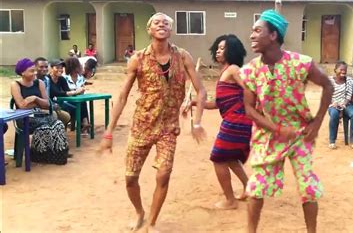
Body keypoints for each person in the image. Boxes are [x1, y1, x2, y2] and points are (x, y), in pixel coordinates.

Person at [98, 12, 207, 232]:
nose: (161, 25)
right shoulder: (138, 59)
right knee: (130, 178)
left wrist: (196, 122)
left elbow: (201, 91)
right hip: (142, 125)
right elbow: (122, 96)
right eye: (156, 22)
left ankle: (152, 222)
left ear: (171, 30)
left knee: (164, 174)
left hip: (168, 128)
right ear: (149, 30)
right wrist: (109, 132)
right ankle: (139, 212)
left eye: (166, 23)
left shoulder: (183, 56)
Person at [241, 10, 333, 233]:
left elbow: (328, 85)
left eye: (257, 31)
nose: (252, 36)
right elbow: (249, 109)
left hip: (301, 135)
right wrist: (278, 129)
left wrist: (317, 122)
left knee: (307, 186)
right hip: (268, 135)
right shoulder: (250, 70)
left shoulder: (300, 63)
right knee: (256, 187)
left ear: (273, 35)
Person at [191, 34, 252, 209]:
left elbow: (251, 87)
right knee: (230, 158)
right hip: (236, 120)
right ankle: (248, 187)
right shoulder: (224, 73)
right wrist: (195, 102)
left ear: (231, 51)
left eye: (222, 48)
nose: (218, 51)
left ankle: (230, 200)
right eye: (217, 48)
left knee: (218, 158)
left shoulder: (233, 69)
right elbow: (217, 103)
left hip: (238, 120)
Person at [11, 58, 68, 164]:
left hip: (40, 114)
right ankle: (38, 155)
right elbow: (21, 106)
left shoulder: (39, 83)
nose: (35, 73)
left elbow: (47, 104)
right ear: (22, 72)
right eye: (31, 71)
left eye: (34, 70)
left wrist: (35, 99)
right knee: (46, 125)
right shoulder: (15, 85)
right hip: (24, 118)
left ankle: (57, 153)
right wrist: (38, 103)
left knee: (58, 124)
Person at [327, 61, 353, 149]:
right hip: (333, 104)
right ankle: (332, 141)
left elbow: (349, 95)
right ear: (335, 70)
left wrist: (343, 104)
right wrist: (334, 103)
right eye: (341, 69)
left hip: (345, 104)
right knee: (334, 114)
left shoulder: (349, 80)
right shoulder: (329, 80)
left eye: (345, 70)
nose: (343, 72)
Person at [63, 57, 90, 133]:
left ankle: (84, 123)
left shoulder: (81, 78)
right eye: (78, 65)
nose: (80, 66)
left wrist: (81, 90)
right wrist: (76, 91)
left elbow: (81, 89)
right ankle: (84, 123)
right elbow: (65, 92)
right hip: (67, 100)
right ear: (73, 67)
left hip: (77, 99)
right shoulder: (64, 78)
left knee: (81, 101)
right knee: (81, 102)